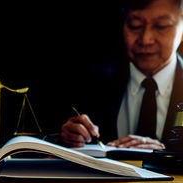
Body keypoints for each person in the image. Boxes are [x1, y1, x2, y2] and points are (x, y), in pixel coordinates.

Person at [60, 0, 183, 150]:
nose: (146, 39)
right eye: (135, 26)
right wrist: (68, 137)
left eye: (161, 26)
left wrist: (166, 156)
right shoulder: (92, 81)